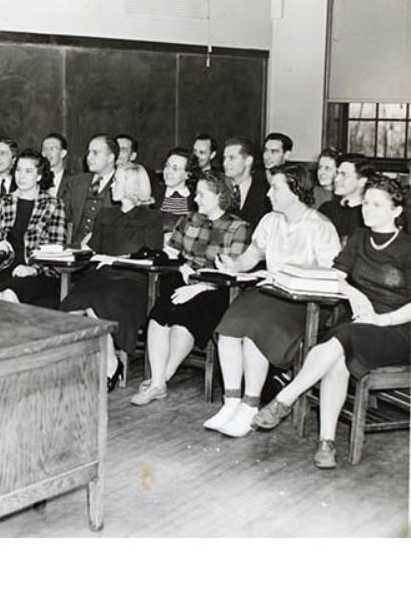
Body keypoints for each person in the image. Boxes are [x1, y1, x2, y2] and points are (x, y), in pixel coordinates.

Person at [252, 175, 411, 469]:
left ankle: (285, 399)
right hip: (359, 321)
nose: (368, 209)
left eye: (377, 205)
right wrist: (353, 295)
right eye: (367, 203)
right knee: (337, 357)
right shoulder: (361, 238)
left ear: (397, 211)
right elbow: (337, 276)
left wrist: (382, 319)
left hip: (397, 328)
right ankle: (326, 443)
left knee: (340, 338)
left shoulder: (407, 247)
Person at [205, 164, 341, 437]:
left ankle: (250, 405)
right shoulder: (271, 221)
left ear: (296, 191)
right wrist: (234, 264)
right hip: (269, 292)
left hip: (304, 302)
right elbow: (251, 257)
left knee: (257, 331)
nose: (268, 194)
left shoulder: (320, 227)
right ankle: (231, 402)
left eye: (276, 188)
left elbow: (333, 275)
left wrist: (297, 276)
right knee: (229, 327)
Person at [131, 172, 251, 405]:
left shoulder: (238, 227)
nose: (196, 199)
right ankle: (157, 383)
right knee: (159, 316)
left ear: (219, 197)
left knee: (185, 320)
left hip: (216, 288)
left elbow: (235, 271)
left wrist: (200, 288)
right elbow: (172, 253)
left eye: (202, 194)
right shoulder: (188, 219)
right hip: (185, 279)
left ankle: (161, 380)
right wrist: (181, 266)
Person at [60, 163, 163, 390]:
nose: (112, 186)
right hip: (102, 275)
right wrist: (76, 249)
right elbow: (94, 249)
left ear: (131, 186)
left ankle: (109, 365)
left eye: (116, 182)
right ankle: (85, 364)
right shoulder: (106, 214)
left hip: (133, 279)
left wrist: (116, 260)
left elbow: (152, 256)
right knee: (74, 306)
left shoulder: (151, 218)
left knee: (96, 302)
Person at [0, 149, 66, 308]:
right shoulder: (5, 201)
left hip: (40, 273)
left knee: (8, 294)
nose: (21, 176)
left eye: (28, 171)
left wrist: (33, 269)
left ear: (39, 176)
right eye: (18, 170)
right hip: (6, 267)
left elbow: (56, 251)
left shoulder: (53, 205)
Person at [62, 134, 119, 246]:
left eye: (95, 153)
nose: (89, 157)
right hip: (74, 248)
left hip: (107, 249)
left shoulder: (122, 184)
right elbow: (64, 217)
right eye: (88, 152)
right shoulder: (75, 183)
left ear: (110, 157)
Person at [319, 153, 376, 242]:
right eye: (337, 173)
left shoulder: (369, 215)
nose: (336, 179)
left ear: (362, 181)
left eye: (344, 174)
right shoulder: (326, 209)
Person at [222, 136, 270, 232]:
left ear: (248, 161)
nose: (225, 163)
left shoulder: (266, 192)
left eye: (231, 158)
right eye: (224, 158)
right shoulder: (217, 187)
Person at [158, 147, 195, 234]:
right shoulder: (154, 194)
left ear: (188, 174)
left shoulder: (196, 199)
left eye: (175, 169)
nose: (168, 172)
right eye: (167, 166)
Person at [115, 133, 160, 200]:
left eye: (123, 150)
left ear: (133, 156)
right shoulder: (102, 173)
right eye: (115, 149)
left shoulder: (146, 176)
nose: (118, 153)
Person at [41, 132, 72, 199]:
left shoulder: (73, 182)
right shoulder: (36, 178)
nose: (47, 153)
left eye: (52, 149)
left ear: (63, 153)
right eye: (45, 149)